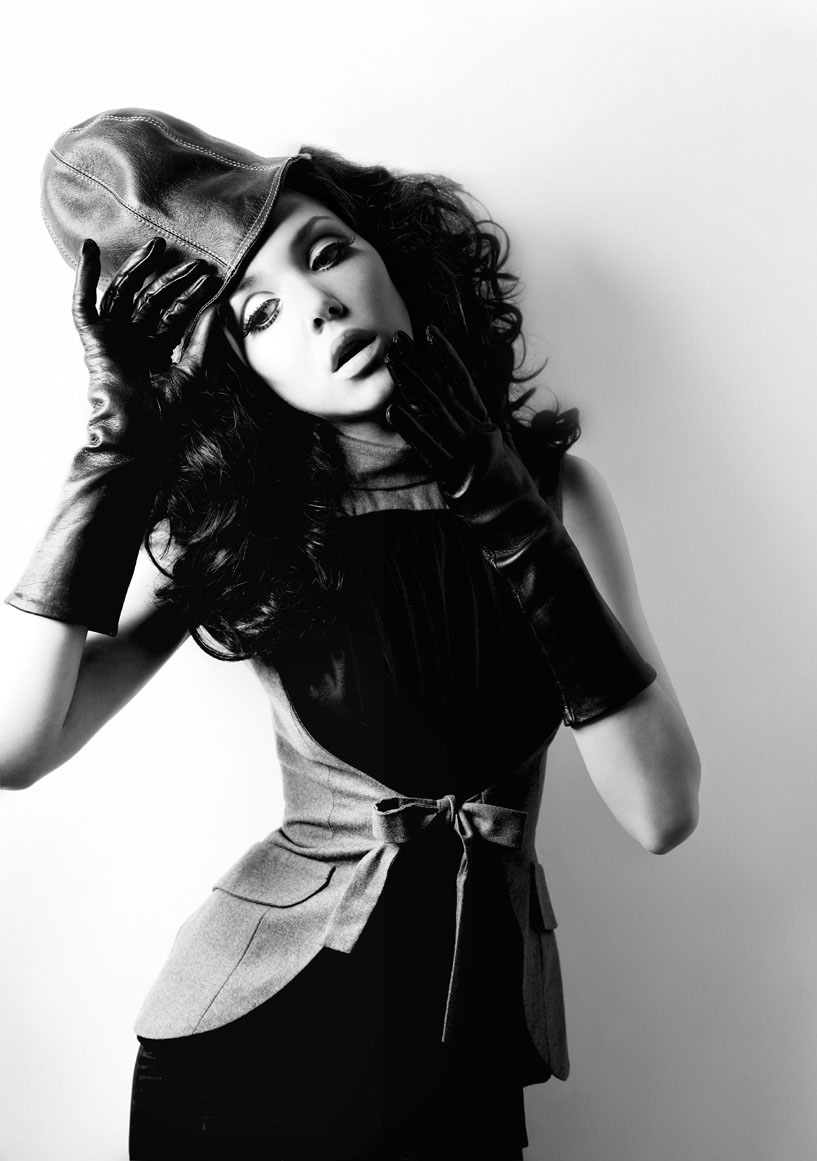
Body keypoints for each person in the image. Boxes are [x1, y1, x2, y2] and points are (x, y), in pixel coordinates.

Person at [0, 109, 701, 1160]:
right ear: (246, 370)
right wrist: (112, 457)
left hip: (464, 1064)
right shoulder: (248, 529)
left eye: (328, 254)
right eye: (261, 313)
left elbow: (660, 810)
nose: (321, 308)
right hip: (250, 1056)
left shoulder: (556, 495)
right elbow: (15, 748)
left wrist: (505, 508)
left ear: (396, 262)